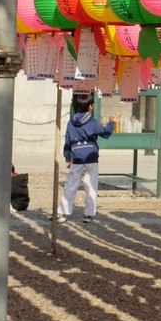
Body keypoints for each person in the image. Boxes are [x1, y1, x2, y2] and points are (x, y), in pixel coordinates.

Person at [57, 92, 117, 223]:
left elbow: (67, 141)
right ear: (90, 107)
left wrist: (67, 157)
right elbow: (105, 133)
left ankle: (63, 213)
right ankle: (88, 215)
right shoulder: (93, 122)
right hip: (91, 158)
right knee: (90, 186)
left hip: (77, 157)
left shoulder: (71, 122)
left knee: (70, 186)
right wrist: (112, 123)